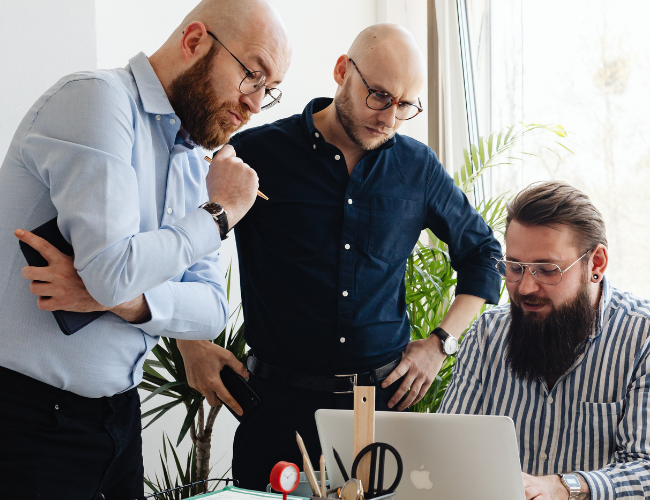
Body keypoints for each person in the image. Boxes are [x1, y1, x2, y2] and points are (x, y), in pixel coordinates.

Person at [0, 1, 290, 497]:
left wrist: (128, 302)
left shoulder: (189, 158)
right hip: (18, 419)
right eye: (252, 74)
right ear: (194, 41)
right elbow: (113, 272)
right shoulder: (96, 100)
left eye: (268, 91)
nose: (254, 103)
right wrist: (220, 213)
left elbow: (209, 310)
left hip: (117, 417)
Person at [173, 23, 503, 488]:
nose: (390, 118)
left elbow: (486, 255)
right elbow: (176, 244)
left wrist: (439, 345)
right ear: (343, 71)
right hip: (274, 412)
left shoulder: (418, 168)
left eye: (405, 105)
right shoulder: (254, 155)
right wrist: (188, 345)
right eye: (380, 96)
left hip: (381, 412)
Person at [440, 181, 650, 500]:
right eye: (515, 268)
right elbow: (447, 447)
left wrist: (564, 487)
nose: (525, 288)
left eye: (547, 270)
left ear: (596, 264)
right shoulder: (486, 336)